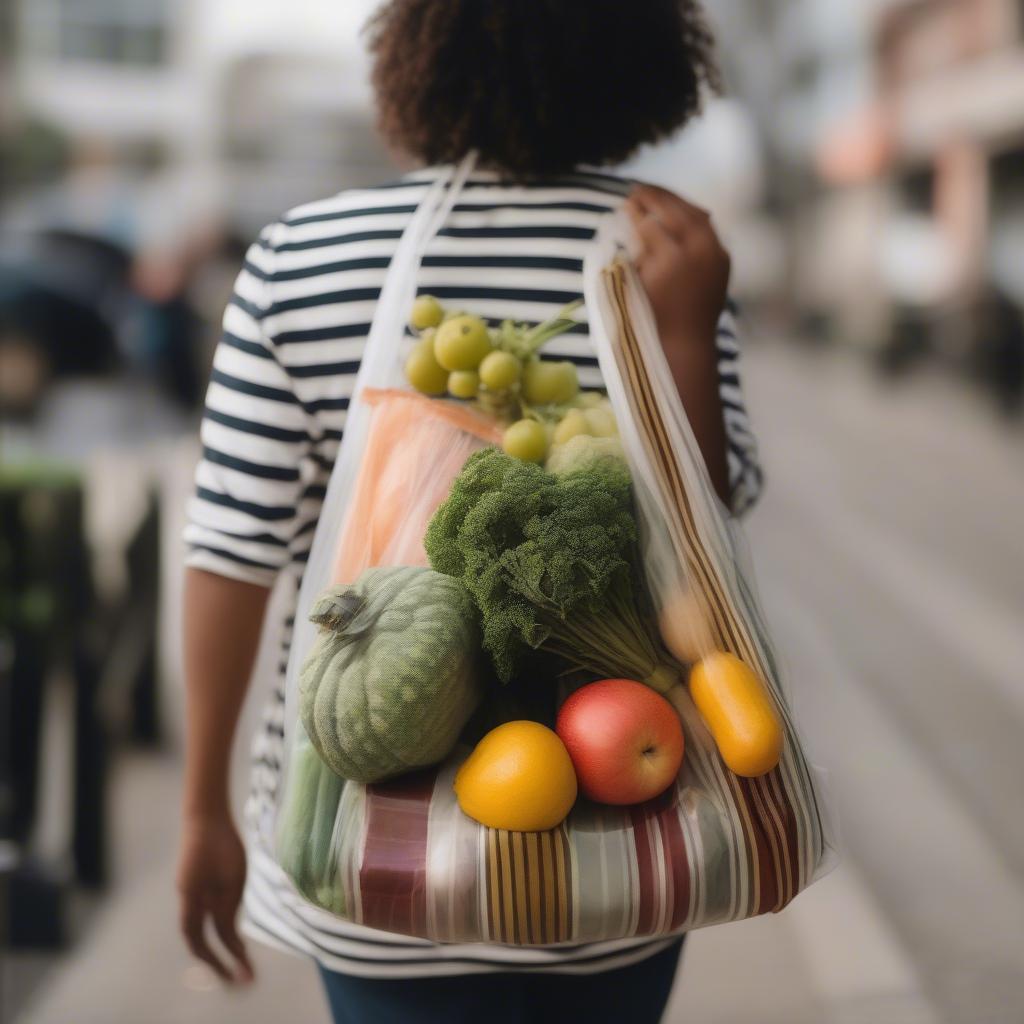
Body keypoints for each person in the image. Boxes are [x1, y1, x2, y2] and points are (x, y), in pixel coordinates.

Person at [177, 2, 762, 1022]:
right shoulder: (671, 251)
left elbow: (231, 549)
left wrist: (202, 811)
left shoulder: (299, 257)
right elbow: (708, 530)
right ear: (642, 51)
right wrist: (681, 341)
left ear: (418, 51)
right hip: (621, 840)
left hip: (365, 847)